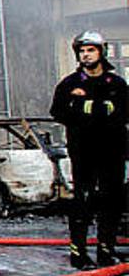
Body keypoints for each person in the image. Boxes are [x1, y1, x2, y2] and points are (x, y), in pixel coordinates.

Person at [50, 30, 127, 269]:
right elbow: (57, 111)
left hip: (113, 151)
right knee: (83, 200)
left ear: (101, 52)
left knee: (112, 201)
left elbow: (126, 112)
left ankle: (106, 250)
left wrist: (109, 109)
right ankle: (79, 252)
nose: (86, 55)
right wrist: (83, 107)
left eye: (91, 50)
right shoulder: (70, 84)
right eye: (82, 51)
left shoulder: (116, 83)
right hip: (84, 152)